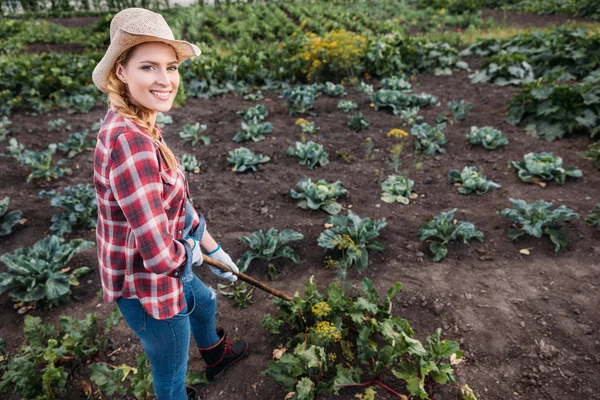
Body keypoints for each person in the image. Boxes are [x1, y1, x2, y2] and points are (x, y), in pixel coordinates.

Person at [91, 8, 247, 400]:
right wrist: (192, 253)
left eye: (171, 67)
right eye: (149, 67)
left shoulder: (139, 122)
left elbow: (177, 203)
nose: (165, 80)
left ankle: (216, 355)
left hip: (168, 267)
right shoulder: (131, 143)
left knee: (205, 300)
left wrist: (212, 248)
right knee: (171, 369)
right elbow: (161, 256)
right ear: (121, 72)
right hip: (149, 287)